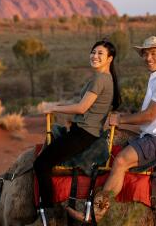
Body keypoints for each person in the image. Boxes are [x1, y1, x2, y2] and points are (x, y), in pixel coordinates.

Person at [69, 36, 156, 221]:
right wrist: (118, 121)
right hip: (152, 132)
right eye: (145, 54)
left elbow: (149, 115)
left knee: (121, 161)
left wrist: (120, 119)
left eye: (153, 53)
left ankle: (97, 212)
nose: (148, 58)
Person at [33, 40, 121, 224]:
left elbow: (81, 108)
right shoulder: (105, 78)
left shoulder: (100, 79)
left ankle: (49, 216)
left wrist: (54, 107)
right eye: (93, 52)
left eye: (100, 54)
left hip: (83, 133)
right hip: (86, 130)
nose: (95, 56)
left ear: (109, 59)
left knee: (41, 164)